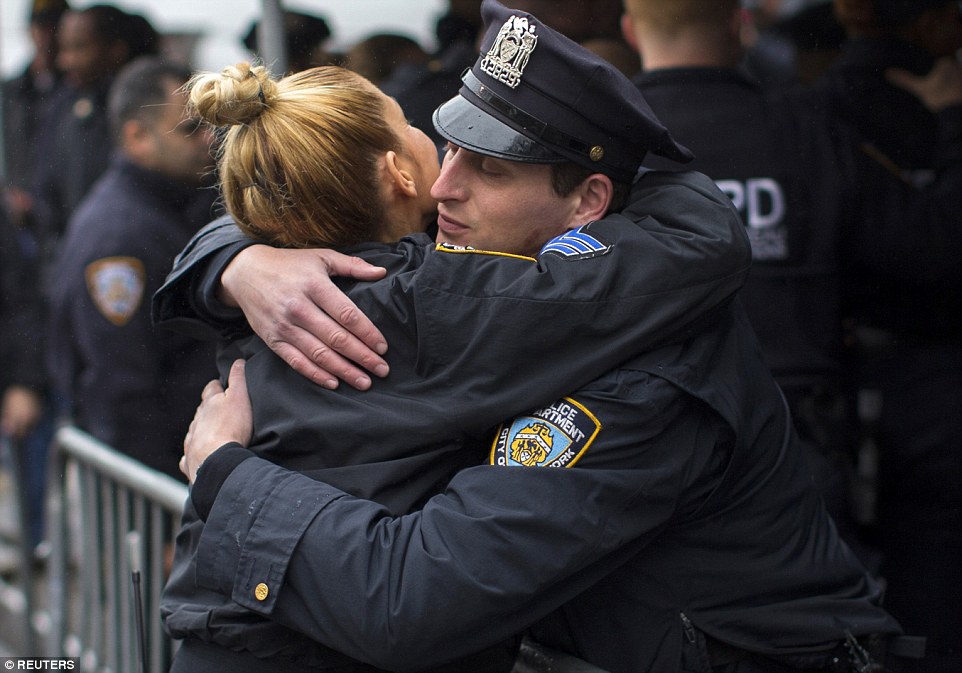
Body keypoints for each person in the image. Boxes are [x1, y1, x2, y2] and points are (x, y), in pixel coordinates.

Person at [161, 2, 902, 671]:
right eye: (446, 146)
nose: (444, 187)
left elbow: (418, 596)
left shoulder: (641, 365)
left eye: (487, 168)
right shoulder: (496, 280)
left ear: (588, 201)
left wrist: (228, 472)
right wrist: (238, 260)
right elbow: (320, 200)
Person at [815, 2, 962, 671]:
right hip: (928, 377)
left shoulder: (809, 112)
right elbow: (939, 248)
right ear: (930, 25)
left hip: (836, 375)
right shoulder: (934, 106)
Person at [46, 57, 219, 480]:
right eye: (190, 129)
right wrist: (158, 528)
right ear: (137, 137)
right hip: (154, 482)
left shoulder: (169, 207)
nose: (210, 139)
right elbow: (120, 390)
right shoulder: (120, 237)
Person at [30, 4, 158, 283]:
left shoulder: (148, 110)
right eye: (64, 49)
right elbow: (46, 194)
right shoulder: (62, 110)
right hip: (73, 266)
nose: (66, 61)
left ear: (115, 50)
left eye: (78, 48)